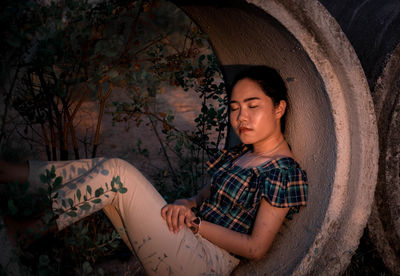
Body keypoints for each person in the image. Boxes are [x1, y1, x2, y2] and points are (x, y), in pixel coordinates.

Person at [0, 65, 308, 275]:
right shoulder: (241, 154)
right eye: (235, 107)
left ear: (278, 108)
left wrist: (196, 224)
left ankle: (27, 231)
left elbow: (255, 248)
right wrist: (188, 203)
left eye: (253, 106)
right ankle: (18, 174)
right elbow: (207, 194)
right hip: (187, 239)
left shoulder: (283, 171)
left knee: (118, 172)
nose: (241, 117)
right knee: (107, 171)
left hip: (205, 263)